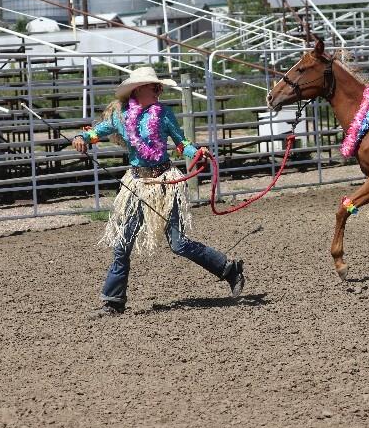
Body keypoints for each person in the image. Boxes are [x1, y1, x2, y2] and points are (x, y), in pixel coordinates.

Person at [72, 66, 245, 318]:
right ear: (139, 89)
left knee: (179, 244)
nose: (158, 90)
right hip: (137, 186)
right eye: (154, 87)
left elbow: (181, 143)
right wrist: (81, 138)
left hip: (165, 183)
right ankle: (113, 301)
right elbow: (95, 133)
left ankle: (229, 270)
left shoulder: (163, 114)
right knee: (123, 243)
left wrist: (196, 153)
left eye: (159, 87)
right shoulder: (120, 117)